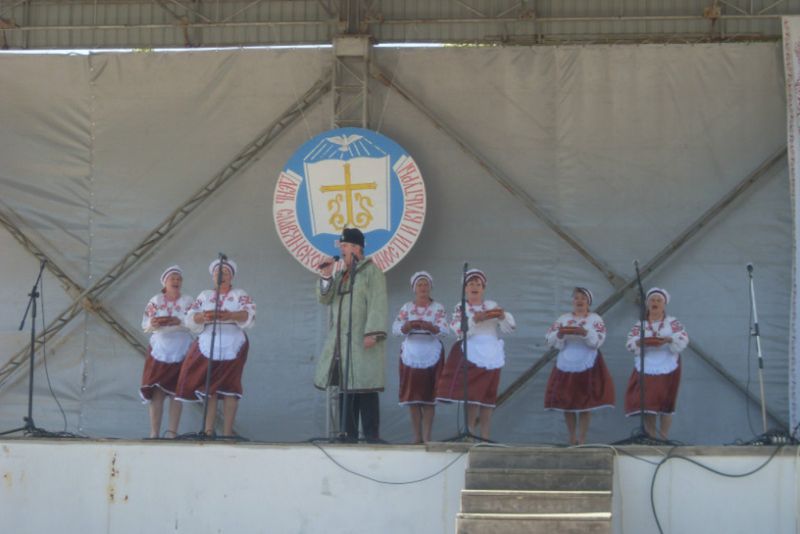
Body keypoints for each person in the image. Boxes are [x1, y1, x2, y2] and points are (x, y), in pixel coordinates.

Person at [316, 228, 388, 442]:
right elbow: (325, 299)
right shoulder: (340, 275)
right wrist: (326, 276)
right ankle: (347, 434)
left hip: (362, 340)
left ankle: (371, 436)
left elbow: (378, 303)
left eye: (345, 246)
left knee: (365, 387)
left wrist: (373, 332)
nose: (342, 250)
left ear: (357, 248)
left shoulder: (372, 272)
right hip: (342, 342)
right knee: (345, 388)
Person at [176, 258, 255, 437]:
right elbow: (191, 317)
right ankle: (208, 431)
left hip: (233, 342)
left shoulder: (239, 293)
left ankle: (227, 434)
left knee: (230, 388)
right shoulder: (204, 295)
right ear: (213, 276)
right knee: (209, 388)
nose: (221, 275)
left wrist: (230, 315)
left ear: (231, 276)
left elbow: (248, 313)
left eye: (225, 272)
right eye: (218, 273)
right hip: (208, 341)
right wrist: (202, 317)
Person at [435, 268, 515, 440]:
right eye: (471, 283)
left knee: (488, 398)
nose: (474, 287)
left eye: (478, 284)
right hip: (471, 352)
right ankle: (469, 433)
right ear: (465, 288)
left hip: (492, 354)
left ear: (483, 288)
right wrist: (473, 320)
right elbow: (457, 329)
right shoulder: (461, 306)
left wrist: (501, 316)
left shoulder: (492, 305)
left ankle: (485, 436)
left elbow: (509, 327)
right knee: (471, 396)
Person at [544, 287, 615, 445]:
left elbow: (598, 340)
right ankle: (571, 437)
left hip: (587, 361)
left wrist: (585, 333)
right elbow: (549, 339)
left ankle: (582, 438)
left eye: (583, 298)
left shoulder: (595, 319)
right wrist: (560, 335)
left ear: (588, 301)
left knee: (585, 402)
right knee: (567, 401)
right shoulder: (563, 318)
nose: (579, 301)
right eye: (576, 298)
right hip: (567, 361)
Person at [392, 271, 449, 443]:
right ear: (414, 288)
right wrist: (407, 326)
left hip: (432, 354)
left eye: (425, 285)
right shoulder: (407, 308)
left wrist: (433, 328)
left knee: (429, 399)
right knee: (413, 398)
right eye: (420, 285)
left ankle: (427, 438)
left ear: (430, 287)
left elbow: (445, 329)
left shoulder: (437, 307)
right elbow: (395, 328)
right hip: (411, 354)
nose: (423, 288)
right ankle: (416, 438)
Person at [624, 287, 689, 440]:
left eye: (659, 300)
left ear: (664, 304)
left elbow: (683, 338)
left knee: (666, 403)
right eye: (652, 300)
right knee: (648, 403)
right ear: (647, 304)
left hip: (668, 364)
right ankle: (651, 437)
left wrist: (669, 339)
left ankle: (664, 438)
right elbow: (629, 343)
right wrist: (639, 342)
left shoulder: (672, 323)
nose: (655, 303)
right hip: (647, 365)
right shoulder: (640, 325)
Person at [140, 265, 195, 438]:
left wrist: (179, 321)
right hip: (160, 348)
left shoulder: (187, 300)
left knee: (177, 392)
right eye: (173, 278)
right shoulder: (156, 300)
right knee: (157, 391)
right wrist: (153, 324)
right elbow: (145, 324)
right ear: (165, 282)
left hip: (181, 347)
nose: (176, 281)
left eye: (179, 279)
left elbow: (195, 323)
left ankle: (172, 433)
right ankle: (154, 433)